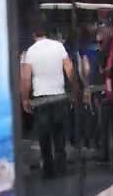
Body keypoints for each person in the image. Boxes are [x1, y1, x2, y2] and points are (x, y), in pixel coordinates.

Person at [20, 24, 78, 179]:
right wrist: (75, 89)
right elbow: (69, 68)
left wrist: (25, 99)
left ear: (34, 35)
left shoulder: (30, 52)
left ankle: (48, 170)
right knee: (59, 134)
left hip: (41, 100)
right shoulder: (58, 47)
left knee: (44, 137)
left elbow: (25, 78)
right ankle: (61, 167)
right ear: (48, 33)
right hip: (59, 96)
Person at [96, 26, 113, 167]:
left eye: (100, 41)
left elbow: (109, 72)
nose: (99, 45)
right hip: (110, 94)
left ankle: (112, 155)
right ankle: (108, 154)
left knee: (111, 126)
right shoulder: (109, 51)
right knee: (109, 126)